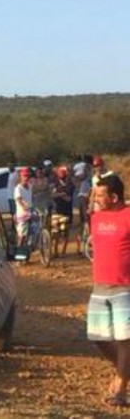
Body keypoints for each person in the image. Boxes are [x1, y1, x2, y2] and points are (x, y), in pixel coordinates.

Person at [85, 174, 130, 407]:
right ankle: (124, 370)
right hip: (99, 286)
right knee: (98, 338)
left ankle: (121, 389)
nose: (96, 199)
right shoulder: (96, 218)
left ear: (114, 197)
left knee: (125, 339)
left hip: (125, 287)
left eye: (101, 195)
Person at [14, 167, 35, 250]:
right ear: (21, 177)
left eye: (28, 176)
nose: (26, 178)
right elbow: (19, 200)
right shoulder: (18, 188)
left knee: (33, 231)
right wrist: (24, 206)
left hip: (30, 212)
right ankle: (19, 254)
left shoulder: (30, 186)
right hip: (22, 214)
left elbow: (31, 197)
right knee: (22, 235)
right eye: (24, 176)